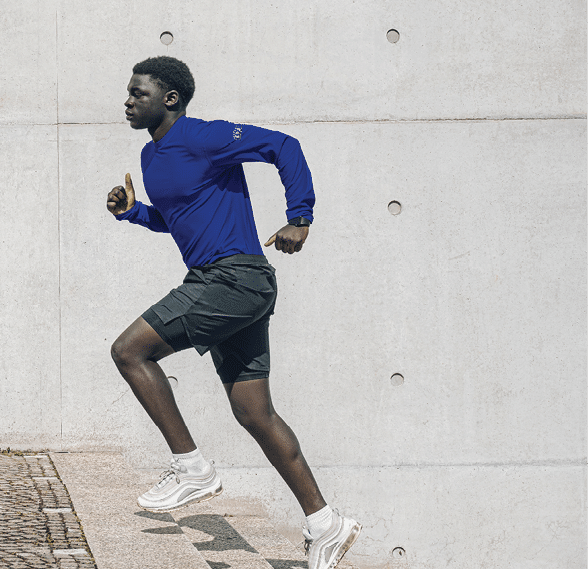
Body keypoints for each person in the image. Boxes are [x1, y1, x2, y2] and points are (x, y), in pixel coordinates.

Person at [106, 56, 360, 569]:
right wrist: (134, 212)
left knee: (129, 351)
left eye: (139, 93)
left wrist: (300, 216)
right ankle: (325, 523)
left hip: (233, 278)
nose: (128, 100)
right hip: (224, 283)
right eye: (128, 93)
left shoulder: (204, 136)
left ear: (170, 98)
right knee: (254, 412)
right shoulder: (151, 156)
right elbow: (179, 219)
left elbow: (284, 146)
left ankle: (192, 468)